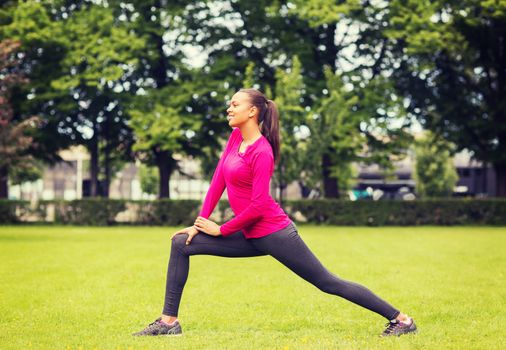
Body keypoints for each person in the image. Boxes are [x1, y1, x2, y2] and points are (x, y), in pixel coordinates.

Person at [133, 88, 417, 337]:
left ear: (252, 111)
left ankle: (401, 319)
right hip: (247, 233)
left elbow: (258, 206)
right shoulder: (235, 138)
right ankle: (169, 322)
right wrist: (199, 224)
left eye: (235, 104)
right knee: (181, 243)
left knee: (327, 282)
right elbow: (219, 178)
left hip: (273, 233)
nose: (229, 108)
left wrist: (221, 229)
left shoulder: (262, 152)